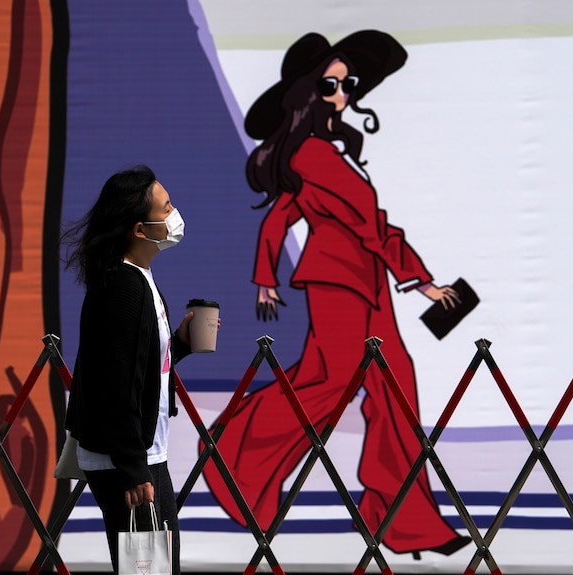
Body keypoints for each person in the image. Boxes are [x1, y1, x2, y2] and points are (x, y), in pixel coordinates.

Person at [201, 31, 471, 557]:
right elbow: (362, 226)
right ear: (307, 92)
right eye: (330, 84)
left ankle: (403, 521)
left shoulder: (337, 153)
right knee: (327, 384)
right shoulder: (312, 156)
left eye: (348, 84)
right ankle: (233, 459)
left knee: (397, 390)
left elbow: (316, 220)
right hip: (337, 284)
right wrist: (419, 280)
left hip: (369, 282)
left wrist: (418, 280)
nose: (343, 93)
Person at [62, 165, 199, 574]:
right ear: (140, 230)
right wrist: (134, 468)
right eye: (167, 206)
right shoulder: (124, 286)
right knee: (150, 571)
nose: (175, 215)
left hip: (138, 455)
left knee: (151, 569)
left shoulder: (136, 278)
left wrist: (181, 345)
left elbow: (139, 363)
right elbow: (116, 381)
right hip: (130, 460)